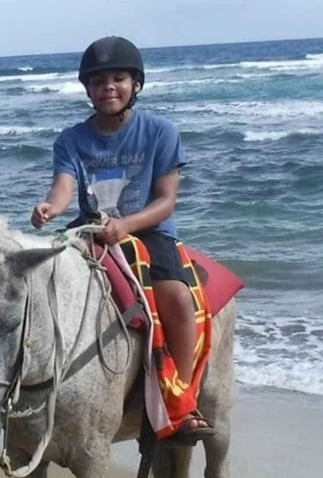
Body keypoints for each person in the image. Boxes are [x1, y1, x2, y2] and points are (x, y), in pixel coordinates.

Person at [30, 35, 213, 443]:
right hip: (92, 231)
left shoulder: (161, 131)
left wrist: (127, 225)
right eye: (98, 81)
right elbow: (63, 186)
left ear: (136, 85)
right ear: (87, 89)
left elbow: (166, 202)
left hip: (149, 231)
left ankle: (180, 402)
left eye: (117, 79)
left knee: (180, 301)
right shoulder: (71, 139)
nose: (108, 87)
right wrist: (51, 208)